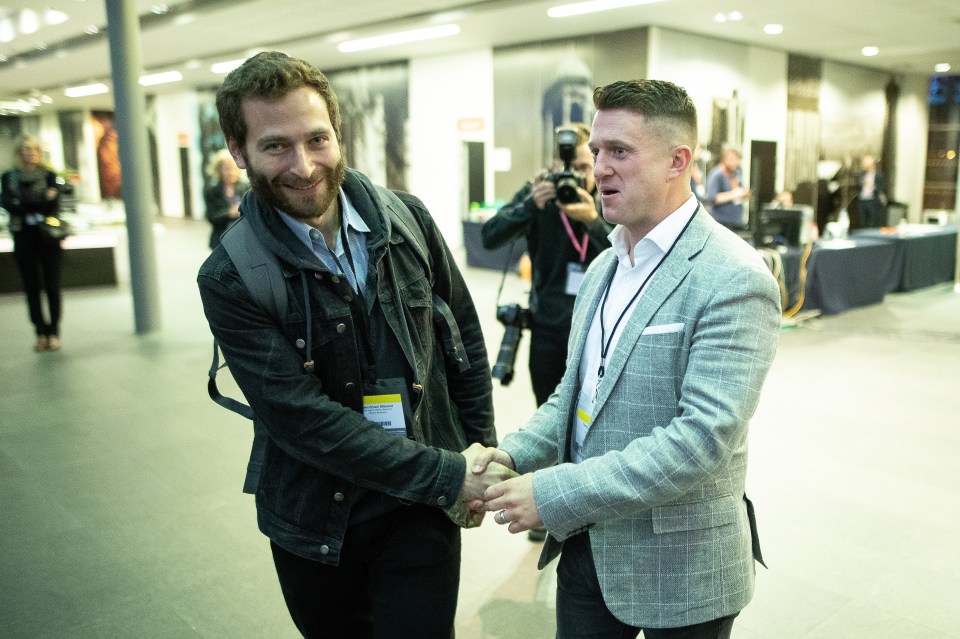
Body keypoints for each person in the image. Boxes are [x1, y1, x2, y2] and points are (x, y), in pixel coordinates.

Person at [197, 51, 514, 639]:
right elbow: (300, 418)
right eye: (275, 146)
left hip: (418, 511)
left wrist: (477, 452)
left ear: (338, 135)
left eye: (317, 139)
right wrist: (448, 473)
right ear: (238, 152)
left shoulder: (407, 221)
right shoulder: (231, 275)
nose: (304, 165)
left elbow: (461, 340)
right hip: (317, 521)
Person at [470, 79, 782, 639]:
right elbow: (574, 395)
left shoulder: (734, 278)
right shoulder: (602, 269)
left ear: (677, 161)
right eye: (597, 152)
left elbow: (701, 441)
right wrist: (512, 455)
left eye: (620, 151)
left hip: (683, 571)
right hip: (588, 550)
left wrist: (555, 492)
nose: (600, 168)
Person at [482, 123, 612, 542]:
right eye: (567, 162)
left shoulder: (606, 197)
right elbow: (489, 236)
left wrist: (593, 220)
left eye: (585, 161)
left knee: (597, 414)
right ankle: (549, 502)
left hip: (599, 326)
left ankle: (585, 498)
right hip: (549, 325)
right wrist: (529, 207)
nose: (573, 173)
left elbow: (632, 254)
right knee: (549, 413)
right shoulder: (540, 190)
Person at [1, 134, 64, 352]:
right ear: (19, 152)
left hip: (47, 236)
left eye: (34, 149)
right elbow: (8, 204)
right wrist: (39, 202)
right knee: (31, 287)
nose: (31, 153)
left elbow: (53, 204)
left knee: (52, 285)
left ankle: (54, 331)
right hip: (23, 236)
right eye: (27, 149)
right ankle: (40, 332)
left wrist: (25, 203)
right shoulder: (9, 177)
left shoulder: (49, 175)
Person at [203, 148, 249, 249]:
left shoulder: (247, 187)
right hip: (220, 241)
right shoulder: (212, 191)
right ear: (219, 170)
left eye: (233, 168)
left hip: (245, 239)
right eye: (227, 168)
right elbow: (211, 217)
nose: (231, 172)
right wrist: (230, 213)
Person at [705, 145, 751, 230]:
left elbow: (742, 190)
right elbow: (712, 198)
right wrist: (733, 194)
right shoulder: (716, 175)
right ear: (724, 159)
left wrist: (744, 193)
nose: (734, 163)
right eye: (731, 159)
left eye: (736, 159)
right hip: (721, 221)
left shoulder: (737, 173)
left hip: (736, 221)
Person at [857, 154, 887, 228]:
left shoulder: (878, 176)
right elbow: (857, 185)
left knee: (872, 220)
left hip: (872, 200)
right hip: (862, 199)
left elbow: (881, 188)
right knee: (863, 219)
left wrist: (873, 187)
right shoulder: (862, 175)